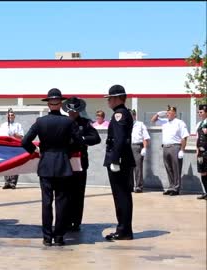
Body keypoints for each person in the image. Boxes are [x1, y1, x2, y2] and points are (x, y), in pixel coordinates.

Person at [22, 88, 82, 247]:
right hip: (63, 164)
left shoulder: (40, 122)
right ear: (61, 104)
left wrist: (36, 151)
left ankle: (47, 237)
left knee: (46, 202)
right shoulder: (69, 122)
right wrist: (67, 152)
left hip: (46, 163)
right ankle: (59, 236)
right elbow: (79, 143)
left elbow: (24, 142)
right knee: (62, 202)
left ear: (49, 104)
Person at [62, 96, 101, 232]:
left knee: (78, 194)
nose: (72, 113)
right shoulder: (63, 122)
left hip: (80, 162)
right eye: (70, 111)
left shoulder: (85, 123)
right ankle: (65, 220)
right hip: (65, 163)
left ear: (79, 111)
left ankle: (76, 222)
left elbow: (96, 138)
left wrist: (81, 138)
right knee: (65, 193)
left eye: (75, 111)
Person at [103, 84, 136, 241]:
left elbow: (120, 139)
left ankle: (123, 230)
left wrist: (115, 160)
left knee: (121, 195)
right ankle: (123, 228)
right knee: (121, 195)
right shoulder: (121, 113)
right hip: (122, 159)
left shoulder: (120, 114)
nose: (108, 101)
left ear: (116, 98)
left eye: (110, 98)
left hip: (120, 161)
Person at [151, 105, 189, 196]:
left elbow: (184, 137)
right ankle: (171, 187)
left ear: (174, 113)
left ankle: (176, 188)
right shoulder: (165, 122)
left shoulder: (180, 122)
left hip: (175, 147)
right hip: (165, 147)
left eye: (169, 112)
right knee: (168, 168)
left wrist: (182, 150)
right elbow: (153, 120)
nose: (167, 114)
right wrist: (158, 114)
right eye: (167, 112)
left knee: (176, 169)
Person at [0, 108, 24, 189]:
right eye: (9, 115)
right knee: (6, 164)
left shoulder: (18, 125)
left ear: (14, 116)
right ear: (6, 116)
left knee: (15, 164)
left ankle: (13, 182)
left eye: (12, 115)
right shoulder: (3, 125)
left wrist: (15, 135)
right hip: (6, 147)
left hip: (15, 147)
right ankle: (7, 182)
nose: (10, 117)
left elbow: (21, 136)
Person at [130, 109, 150, 193]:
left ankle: (138, 186)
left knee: (137, 167)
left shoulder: (140, 124)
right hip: (127, 146)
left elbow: (146, 137)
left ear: (135, 116)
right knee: (128, 168)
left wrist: (144, 148)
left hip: (137, 146)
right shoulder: (125, 124)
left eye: (131, 115)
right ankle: (129, 186)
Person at [195, 104, 207, 200]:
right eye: (198, 112)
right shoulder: (199, 124)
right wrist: (197, 150)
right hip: (201, 152)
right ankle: (206, 192)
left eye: (201, 112)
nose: (199, 114)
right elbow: (197, 138)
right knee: (202, 172)